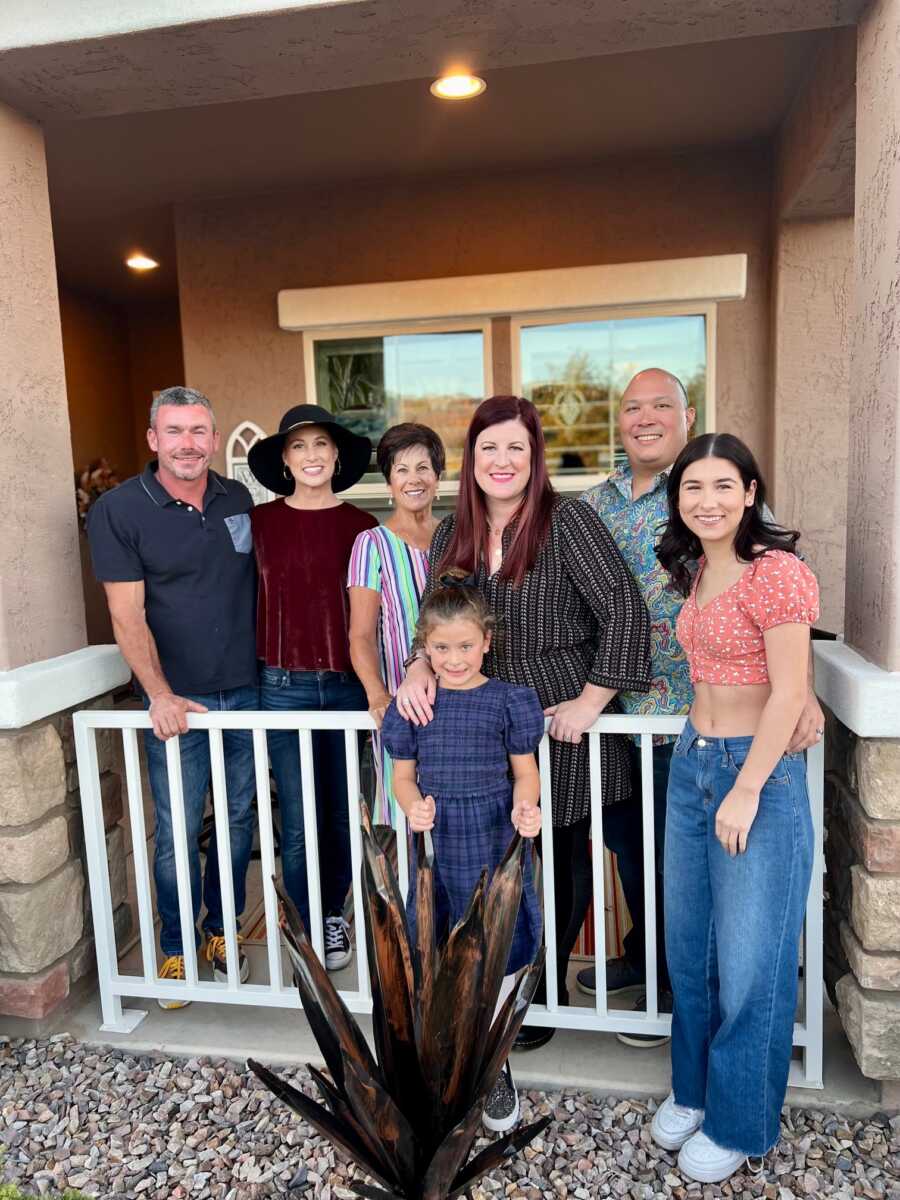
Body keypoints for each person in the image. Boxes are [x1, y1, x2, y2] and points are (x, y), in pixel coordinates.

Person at [394, 395, 651, 1050]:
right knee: (500, 852)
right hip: (476, 719)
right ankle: (498, 983)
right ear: (471, 460)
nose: (502, 460)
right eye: (488, 448)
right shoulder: (455, 531)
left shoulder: (567, 523)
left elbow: (623, 606)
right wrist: (420, 665)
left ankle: (544, 993)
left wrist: (594, 699)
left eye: (516, 447)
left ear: (534, 457)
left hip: (556, 712)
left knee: (559, 851)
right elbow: (436, 619)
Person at [578, 368, 825, 1046]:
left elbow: (781, 592)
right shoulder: (593, 505)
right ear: (619, 421)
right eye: (632, 407)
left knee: (727, 899)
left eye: (662, 404)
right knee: (645, 862)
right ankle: (654, 975)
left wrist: (800, 694)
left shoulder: (717, 490)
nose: (646, 417)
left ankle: (697, 1018)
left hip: (714, 725)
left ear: (688, 416)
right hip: (626, 714)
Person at [650, 432, 818, 1182]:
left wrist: (747, 787)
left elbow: (788, 689)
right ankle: (694, 1088)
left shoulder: (774, 572)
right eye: (692, 488)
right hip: (693, 763)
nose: (707, 501)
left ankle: (742, 1118)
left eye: (723, 486)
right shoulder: (697, 571)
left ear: (750, 493)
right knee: (690, 947)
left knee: (752, 961)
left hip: (760, 775)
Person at [87, 386, 258, 1005]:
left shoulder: (236, 496)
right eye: (175, 431)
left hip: (245, 689)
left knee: (238, 822)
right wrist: (158, 693)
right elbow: (125, 614)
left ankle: (220, 930)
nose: (189, 443)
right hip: (177, 702)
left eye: (199, 432)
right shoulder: (119, 511)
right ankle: (176, 947)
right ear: (154, 439)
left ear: (214, 440)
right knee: (180, 828)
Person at [382, 571, 544, 1133]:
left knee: (498, 945)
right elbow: (402, 778)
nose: (455, 659)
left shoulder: (509, 701)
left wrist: (528, 807)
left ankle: (492, 1059)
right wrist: (410, 805)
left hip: (494, 837)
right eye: (442, 648)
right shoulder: (414, 706)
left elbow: (526, 775)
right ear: (424, 647)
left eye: (467, 646)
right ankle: (445, 1056)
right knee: (436, 947)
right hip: (438, 840)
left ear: (487, 642)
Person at [248, 404, 376, 971]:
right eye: (299, 447)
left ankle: (334, 911)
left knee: (346, 811)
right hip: (284, 684)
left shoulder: (362, 527)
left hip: (350, 686)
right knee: (299, 816)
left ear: (337, 454)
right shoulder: (260, 524)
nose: (312, 456)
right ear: (284, 459)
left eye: (321, 444)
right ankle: (303, 920)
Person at [348, 423, 445, 826]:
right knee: (410, 827)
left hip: (461, 707)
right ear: (388, 480)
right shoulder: (371, 544)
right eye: (401, 469)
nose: (414, 479)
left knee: (459, 823)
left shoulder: (457, 538)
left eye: (423, 467)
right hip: (401, 710)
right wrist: (377, 696)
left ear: (438, 476)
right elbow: (361, 634)